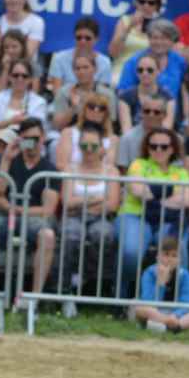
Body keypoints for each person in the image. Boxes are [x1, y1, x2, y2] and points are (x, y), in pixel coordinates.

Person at [0, 118, 60, 310]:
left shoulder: (50, 169)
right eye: (27, 139)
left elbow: (48, 209)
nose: (32, 143)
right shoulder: (10, 162)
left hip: (33, 219)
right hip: (6, 217)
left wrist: (16, 209)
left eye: (36, 138)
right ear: (20, 140)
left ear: (43, 139)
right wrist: (6, 158)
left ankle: (33, 299)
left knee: (48, 236)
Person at [115, 128, 189, 297]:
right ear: (147, 148)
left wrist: (153, 197)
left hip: (168, 222)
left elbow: (187, 199)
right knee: (131, 252)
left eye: (163, 146)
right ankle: (122, 297)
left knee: (179, 249)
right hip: (135, 216)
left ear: (172, 149)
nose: (158, 150)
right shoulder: (138, 164)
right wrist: (170, 195)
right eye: (153, 146)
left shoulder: (180, 172)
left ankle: (179, 301)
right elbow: (138, 190)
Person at [56, 122, 119, 312]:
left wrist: (81, 201)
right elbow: (67, 201)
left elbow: (112, 204)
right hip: (73, 218)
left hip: (100, 219)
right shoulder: (70, 169)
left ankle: (90, 286)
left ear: (102, 148)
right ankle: (65, 290)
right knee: (71, 235)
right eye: (84, 146)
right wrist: (96, 199)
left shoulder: (111, 171)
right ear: (79, 147)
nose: (89, 151)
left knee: (103, 235)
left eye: (93, 146)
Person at [130, 235, 189, 333]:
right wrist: (161, 284)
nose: (170, 259)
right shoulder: (149, 273)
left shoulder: (185, 275)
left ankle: (172, 327)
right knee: (138, 308)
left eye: (174, 256)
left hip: (175, 313)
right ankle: (170, 326)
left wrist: (175, 315)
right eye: (166, 255)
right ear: (158, 256)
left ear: (179, 259)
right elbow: (148, 301)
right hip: (155, 312)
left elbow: (186, 302)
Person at [107, 0, 164, 84]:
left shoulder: (161, 27)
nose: (146, 6)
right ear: (136, 3)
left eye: (151, 3)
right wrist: (129, 27)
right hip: (121, 71)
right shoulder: (124, 21)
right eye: (142, 1)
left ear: (157, 6)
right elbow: (112, 53)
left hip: (148, 74)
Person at [46, 17, 113, 95]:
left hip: (92, 104)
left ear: (96, 39)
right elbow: (57, 92)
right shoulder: (59, 58)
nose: (82, 41)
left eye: (87, 38)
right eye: (79, 38)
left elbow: (102, 94)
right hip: (64, 102)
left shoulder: (105, 62)